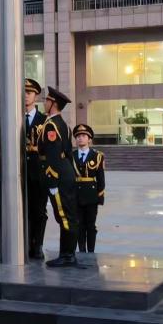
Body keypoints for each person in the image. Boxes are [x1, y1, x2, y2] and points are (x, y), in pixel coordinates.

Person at [40, 87, 81, 268]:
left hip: (58, 175)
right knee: (67, 214)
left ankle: (67, 255)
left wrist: (52, 180)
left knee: (64, 216)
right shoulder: (63, 124)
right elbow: (68, 153)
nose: (45, 103)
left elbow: (53, 154)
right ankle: (67, 254)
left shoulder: (51, 125)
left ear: (53, 104)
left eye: (47, 100)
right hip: (66, 172)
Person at [24, 78, 48, 260]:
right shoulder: (15, 118)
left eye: (29, 93)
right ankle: (24, 244)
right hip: (20, 172)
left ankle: (37, 245)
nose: (26, 96)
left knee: (38, 211)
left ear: (36, 96)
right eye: (23, 93)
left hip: (38, 172)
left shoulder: (44, 121)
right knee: (22, 211)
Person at [73, 123, 105, 255]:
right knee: (79, 225)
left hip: (91, 196)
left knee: (90, 225)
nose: (80, 138)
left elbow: (101, 179)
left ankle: (91, 252)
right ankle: (82, 251)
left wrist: (100, 197)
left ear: (89, 139)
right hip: (76, 195)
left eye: (83, 136)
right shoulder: (71, 156)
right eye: (78, 136)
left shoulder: (97, 156)